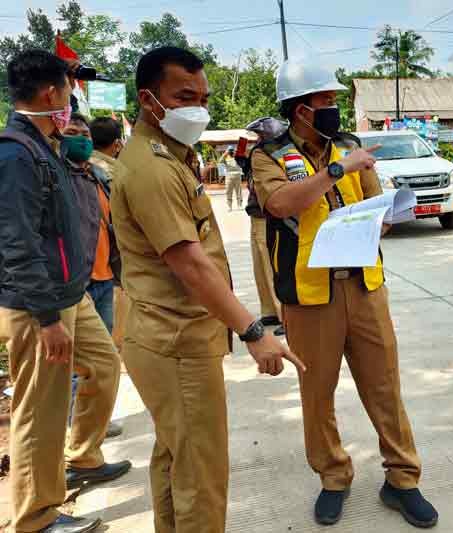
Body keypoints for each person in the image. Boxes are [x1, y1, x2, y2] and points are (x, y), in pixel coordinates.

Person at [112, 46, 304, 533]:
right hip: (175, 341)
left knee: (175, 457)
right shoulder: (152, 167)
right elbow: (190, 265)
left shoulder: (170, 155)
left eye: (203, 96)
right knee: (200, 470)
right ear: (148, 99)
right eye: (183, 96)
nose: (197, 107)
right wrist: (253, 330)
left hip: (166, 335)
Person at [251, 60, 438, 528]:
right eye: (325, 101)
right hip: (310, 295)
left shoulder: (351, 146)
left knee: (385, 387)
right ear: (301, 110)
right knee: (318, 393)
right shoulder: (268, 155)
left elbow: (377, 204)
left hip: (365, 286)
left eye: (334, 100)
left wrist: (389, 212)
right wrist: (337, 169)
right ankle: (334, 476)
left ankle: (402, 479)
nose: (333, 108)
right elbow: (281, 204)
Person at [0, 49, 119, 533]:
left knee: (106, 368)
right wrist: (47, 319)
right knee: (40, 411)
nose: (72, 98)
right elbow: (17, 242)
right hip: (38, 306)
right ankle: (35, 517)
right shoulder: (15, 154)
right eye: (69, 89)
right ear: (52, 93)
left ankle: (82, 456)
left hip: (71, 294)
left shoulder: (45, 144)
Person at [64, 114, 127, 441]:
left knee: (102, 359)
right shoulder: (59, 178)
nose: (80, 139)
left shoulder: (96, 176)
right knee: (82, 362)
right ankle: (78, 428)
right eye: (71, 132)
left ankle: (90, 426)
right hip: (79, 282)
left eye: (84, 133)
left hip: (104, 278)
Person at [89, 116, 131, 353]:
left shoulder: (75, 165)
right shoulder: (117, 172)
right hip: (113, 252)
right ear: (117, 144)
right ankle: (117, 347)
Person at [243, 117, 287, 336]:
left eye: (260, 136)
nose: (257, 140)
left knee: (271, 264)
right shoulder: (259, 153)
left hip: (266, 215)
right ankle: (269, 309)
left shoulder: (275, 154)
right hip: (255, 213)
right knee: (260, 265)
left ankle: (284, 315)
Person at [221, 145, 243, 211]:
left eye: (232, 150)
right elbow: (220, 161)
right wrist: (225, 153)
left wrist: (237, 154)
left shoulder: (237, 157)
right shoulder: (226, 158)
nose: (231, 152)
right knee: (228, 192)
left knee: (238, 191)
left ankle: (239, 205)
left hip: (237, 177)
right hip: (229, 177)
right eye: (230, 150)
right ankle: (229, 206)